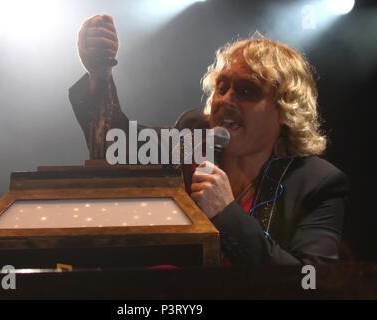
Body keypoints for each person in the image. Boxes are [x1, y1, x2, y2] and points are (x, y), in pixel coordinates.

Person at [69, 15, 349, 266]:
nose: (226, 100)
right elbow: (114, 145)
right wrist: (100, 71)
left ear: (286, 112)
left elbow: (312, 283)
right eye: (222, 87)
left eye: (246, 91)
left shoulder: (317, 183)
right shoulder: (190, 140)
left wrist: (227, 214)